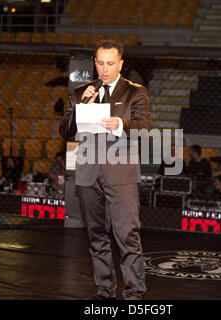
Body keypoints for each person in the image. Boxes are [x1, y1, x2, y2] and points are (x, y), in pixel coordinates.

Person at [59, 39, 150, 300]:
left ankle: (134, 293)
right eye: (100, 63)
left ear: (121, 63)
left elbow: (143, 129)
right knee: (96, 235)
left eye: (110, 63)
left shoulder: (135, 92)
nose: (105, 68)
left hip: (121, 173)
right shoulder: (81, 92)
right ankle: (104, 290)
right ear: (94, 62)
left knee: (126, 235)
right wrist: (80, 109)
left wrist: (120, 124)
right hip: (88, 171)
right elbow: (65, 132)